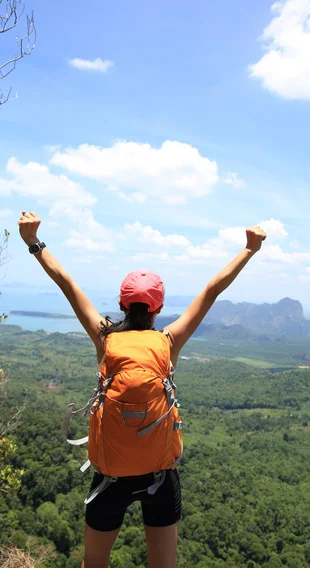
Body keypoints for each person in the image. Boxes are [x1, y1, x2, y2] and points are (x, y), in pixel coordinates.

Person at [18, 210, 267, 568]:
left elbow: (68, 285)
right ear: (159, 308)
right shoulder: (168, 341)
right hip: (160, 479)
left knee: (94, 562)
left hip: (110, 479)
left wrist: (34, 243)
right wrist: (249, 249)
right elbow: (211, 291)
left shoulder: (105, 337)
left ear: (122, 303)